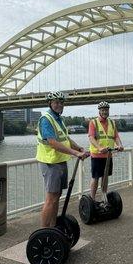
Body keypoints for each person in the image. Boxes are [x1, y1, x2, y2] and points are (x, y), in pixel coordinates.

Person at [36, 91, 88, 227]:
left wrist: (79, 149)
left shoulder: (59, 119)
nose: (59, 105)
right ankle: (44, 232)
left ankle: (53, 228)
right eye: (56, 102)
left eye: (61, 102)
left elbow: (66, 139)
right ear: (50, 104)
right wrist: (75, 153)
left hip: (60, 161)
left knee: (57, 196)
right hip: (50, 163)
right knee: (51, 198)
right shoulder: (46, 119)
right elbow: (52, 142)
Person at [88, 101, 124, 200]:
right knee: (95, 177)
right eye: (103, 110)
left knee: (105, 177)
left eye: (106, 110)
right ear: (99, 111)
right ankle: (92, 199)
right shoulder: (93, 122)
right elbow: (91, 137)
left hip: (108, 155)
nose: (105, 112)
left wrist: (120, 145)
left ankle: (104, 196)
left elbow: (116, 136)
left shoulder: (112, 122)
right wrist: (99, 148)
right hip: (97, 155)